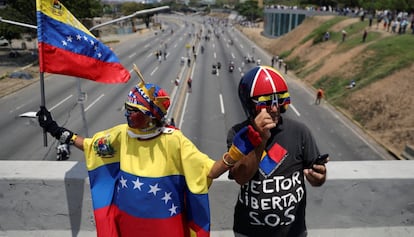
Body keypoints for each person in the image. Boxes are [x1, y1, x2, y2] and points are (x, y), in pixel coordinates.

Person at [37, 65, 264, 237]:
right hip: (128, 227)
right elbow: (90, 145)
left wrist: (236, 152)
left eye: (134, 111)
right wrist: (57, 130)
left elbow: (210, 172)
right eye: (127, 109)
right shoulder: (122, 135)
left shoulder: (174, 141)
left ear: (153, 115)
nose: (128, 115)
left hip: (166, 228)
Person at [226, 66, 328, 237]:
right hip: (248, 231)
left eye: (279, 100)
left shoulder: (300, 132)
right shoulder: (237, 134)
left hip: (292, 231)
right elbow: (240, 177)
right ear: (250, 105)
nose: (274, 109)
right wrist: (259, 137)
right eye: (265, 102)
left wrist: (319, 176)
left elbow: (317, 177)